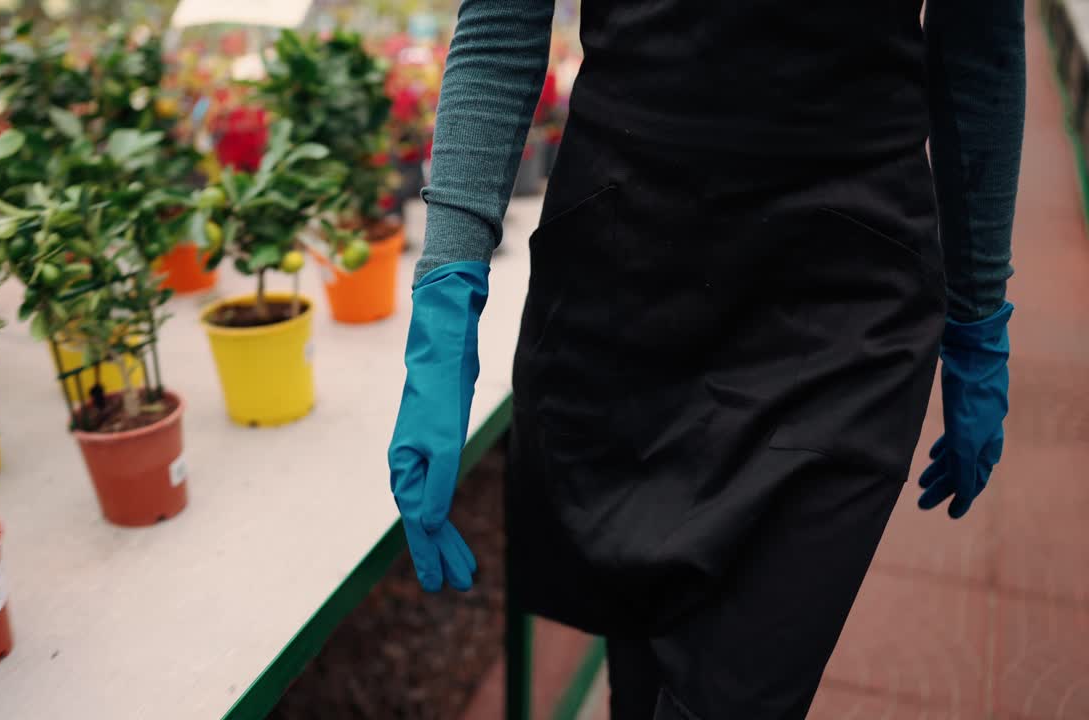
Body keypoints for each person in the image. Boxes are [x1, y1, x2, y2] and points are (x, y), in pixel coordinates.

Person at [388, 0, 1025, 717]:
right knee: (643, 665)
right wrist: (447, 296)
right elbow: (506, 19)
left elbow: (981, 45)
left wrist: (977, 318)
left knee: (735, 691)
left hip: (844, 304)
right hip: (624, 281)